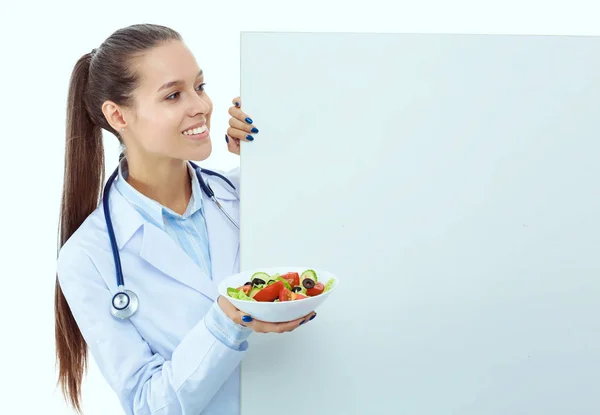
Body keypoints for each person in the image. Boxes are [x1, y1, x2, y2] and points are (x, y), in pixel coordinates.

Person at [55, 23, 315, 415]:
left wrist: (271, 157)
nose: (202, 106)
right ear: (118, 116)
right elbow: (148, 405)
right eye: (174, 95)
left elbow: (347, 212)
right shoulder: (87, 258)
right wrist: (228, 322)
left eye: (200, 86)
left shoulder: (250, 193)